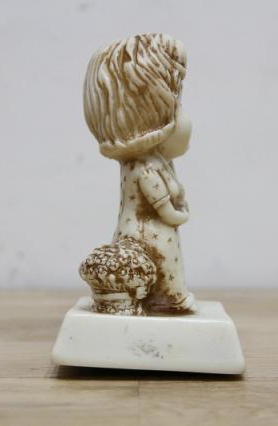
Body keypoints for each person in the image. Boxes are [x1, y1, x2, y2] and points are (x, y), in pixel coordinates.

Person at [81, 33, 196, 314]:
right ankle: (170, 299)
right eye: (178, 107)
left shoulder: (151, 163)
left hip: (139, 232)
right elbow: (163, 207)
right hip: (150, 235)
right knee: (165, 261)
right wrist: (179, 215)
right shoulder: (145, 167)